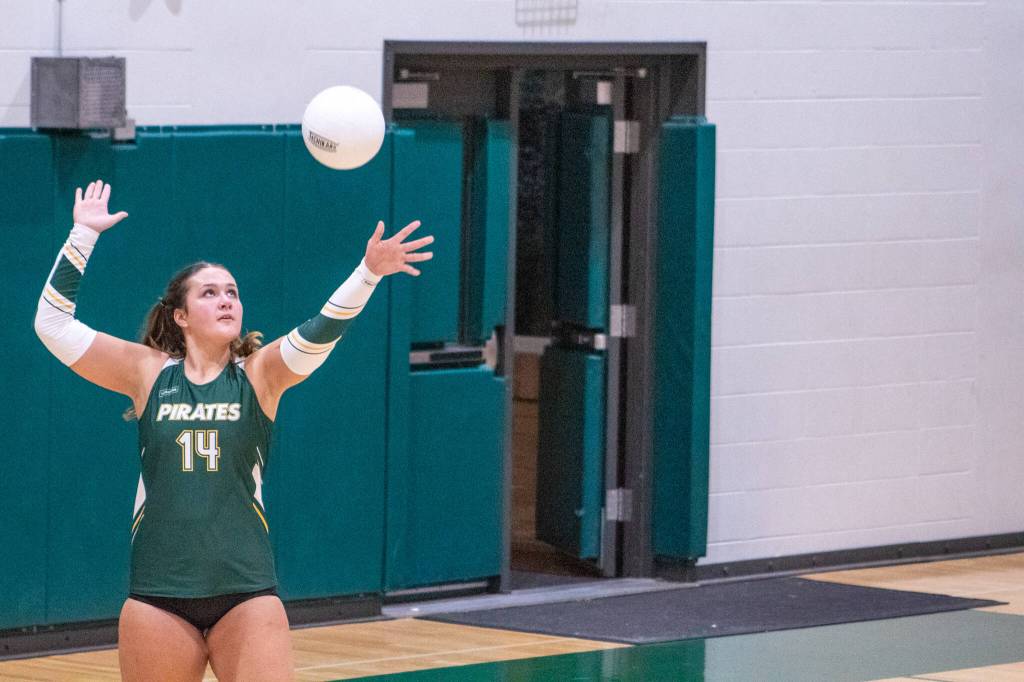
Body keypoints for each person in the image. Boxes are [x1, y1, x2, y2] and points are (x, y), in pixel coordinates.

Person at [34, 179, 434, 681]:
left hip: (246, 594)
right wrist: (82, 236)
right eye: (209, 293)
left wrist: (367, 273)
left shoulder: (261, 374)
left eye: (232, 292)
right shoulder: (148, 373)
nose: (226, 300)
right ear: (180, 315)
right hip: (159, 596)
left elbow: (321, 330)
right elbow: (51, 324)